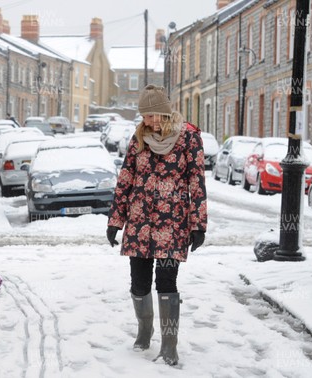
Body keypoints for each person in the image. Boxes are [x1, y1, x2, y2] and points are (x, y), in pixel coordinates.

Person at [106, 84, 207, 366]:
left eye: (153, 115)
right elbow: (125, 180)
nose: (148, 121)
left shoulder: (189, 138)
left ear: (165, 112)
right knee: (138, 284)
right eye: (145, 116)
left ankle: (169, 344)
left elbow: (196, 182)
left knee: (166, 282)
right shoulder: (138, 139)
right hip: (139, 223)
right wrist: (115, 221)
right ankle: (144, 329)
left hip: (172, 223)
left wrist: (198, 225)